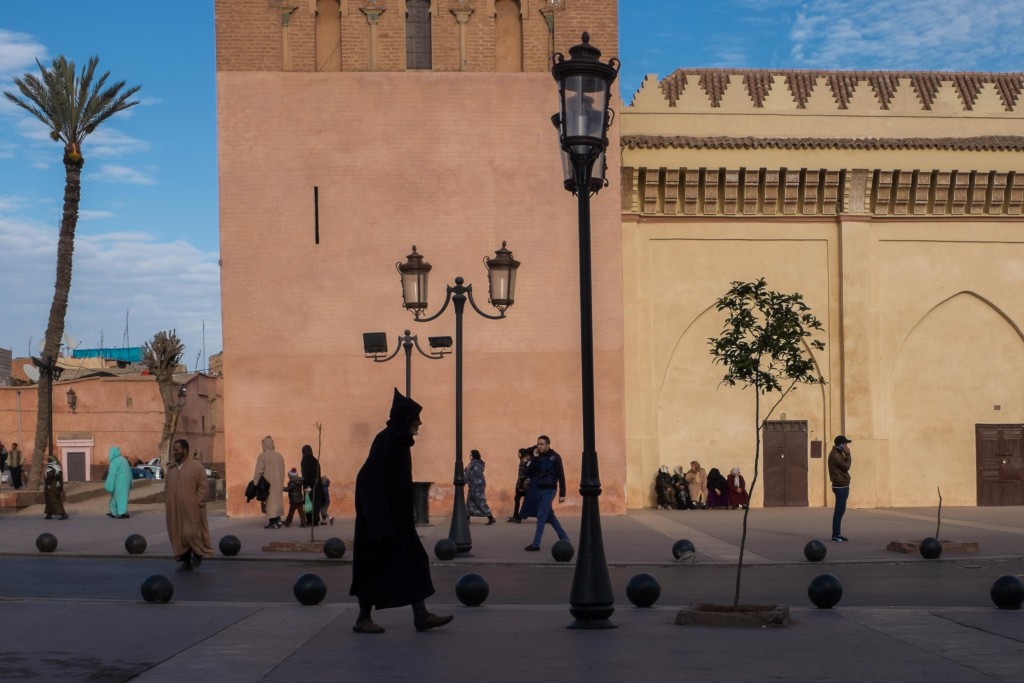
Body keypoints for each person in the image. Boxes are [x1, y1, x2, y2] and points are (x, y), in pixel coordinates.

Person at [349, 388, 452, 634]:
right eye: (417, 419)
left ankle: (421, 615)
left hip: (398, 522)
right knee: (372, 568)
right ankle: (363, 619)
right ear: (406, 420)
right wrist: (378, 523)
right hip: (381, 524)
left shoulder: (398, 443)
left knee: (414, 562)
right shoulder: (386, 442)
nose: (420, 423)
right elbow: (368, 481)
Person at [165, 438, 213, 572]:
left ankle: (198, 553)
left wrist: (196, 502)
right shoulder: (172, 468)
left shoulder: (196, 467)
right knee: (178, 535)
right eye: (174, 450)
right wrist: (168, 502)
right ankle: (186, 562)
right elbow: (167, 487)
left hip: (192, 509)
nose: (175, 453)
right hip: (174, 510)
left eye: (177, 450)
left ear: (185, 450)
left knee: (190, 533)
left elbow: (203, 487)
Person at [523, 435, 570, 552]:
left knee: (541, 516)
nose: (539, 446)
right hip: (539, 489)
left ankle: (536, 544)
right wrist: (534, 458)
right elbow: (528, 472)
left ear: (548, 445)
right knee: (550, 516)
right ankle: (564, 537)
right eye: (538, 444)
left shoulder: (555, 457)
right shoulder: (538, 458)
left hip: (550, 490)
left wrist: (562, 493)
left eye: (542, 444)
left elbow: (561, 475)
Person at [254, 436, 285, 528]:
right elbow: (283, 470)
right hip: (278, 483)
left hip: (267, 484)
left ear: (265, 445)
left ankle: (273, 522)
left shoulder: (262, 456)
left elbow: (259, 471)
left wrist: (256, 482)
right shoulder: (279, 456)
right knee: (277, 502)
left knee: (270, 503)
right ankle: (278, 520)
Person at [829, 435, 853, 542]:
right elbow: (846, 466)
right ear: (841, 444)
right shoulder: (835, 455)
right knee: (839, 511)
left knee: (841, 510)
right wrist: (848, 454)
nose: (847, 446)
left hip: (842, 484)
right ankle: (836, 535)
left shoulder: (838, 453)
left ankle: (837, 533)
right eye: (846, 444)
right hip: (840, 485)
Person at [465, 449, 496, 524]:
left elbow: (468, 474)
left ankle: (491, 517)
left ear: (473, 456)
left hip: (475, 485)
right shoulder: (479, 463)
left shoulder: (473, 464)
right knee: (470, 501)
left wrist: (463, 480)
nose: (469, 456)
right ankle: (467, 518)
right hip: (478, 484)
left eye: (470, 455)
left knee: (480, 501)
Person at [104, 446, 132, 518]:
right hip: (126, 481)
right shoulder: (124, 460)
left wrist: (109, 485)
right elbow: (130, 471)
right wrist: (131, 483)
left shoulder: (114, 462)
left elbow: (111, 475)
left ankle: (123, 512)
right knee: (116, 497)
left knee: (120, 497)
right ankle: (113, 512)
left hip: (120, 482)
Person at [301, 444, 325, 526]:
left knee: (308, 503)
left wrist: (306, 486)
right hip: (317, 485)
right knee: (316, 502)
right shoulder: (315, 460)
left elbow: (305, 475)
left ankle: (309, 520)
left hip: (308, 486)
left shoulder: (304, 461)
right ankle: (315, 520)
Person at [507, 447, 531, 522]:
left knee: (518, 499)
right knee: (521, 499)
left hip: (522, 484)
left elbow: (522, 475)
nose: (518, 454)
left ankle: (517, 517)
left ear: (521, 454)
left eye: (519, 453)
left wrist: (520, 486)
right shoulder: (527, 461)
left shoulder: (523, 461)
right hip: (526, 484)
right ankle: (516, 516)